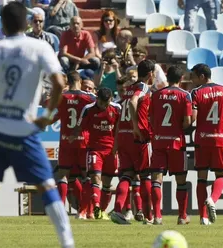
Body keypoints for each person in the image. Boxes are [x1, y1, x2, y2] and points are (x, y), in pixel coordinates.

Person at [0, 2, 89, 248]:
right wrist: (47, 116)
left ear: (2, 25)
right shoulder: (39, 47)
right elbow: (59, 82)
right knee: (47, 186)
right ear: (26, 24)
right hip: (23, 130)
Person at [190, 64, 223, 225]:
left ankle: (203, 218)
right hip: (220, 139)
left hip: (202, 140)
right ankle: (212, 199)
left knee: (201, 178)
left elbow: (193, 118)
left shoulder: (196, 92)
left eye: (194, 76)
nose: (191, 80)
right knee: (222, 175)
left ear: (202, 76)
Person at [111, 60, 155, 225]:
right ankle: (149, 217)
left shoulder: (128, 89)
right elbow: (132, 102)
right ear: (150, 74)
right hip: (137, 137)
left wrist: (116, 143)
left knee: (126, 175)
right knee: (145, 177)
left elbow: (125, 108)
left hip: (123, 136)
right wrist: (136, 127)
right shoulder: (142, 87)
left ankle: (117, 211)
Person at [149, 66, 192, 225]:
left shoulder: (157, 95)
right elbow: (187, 122)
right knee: (181, 181)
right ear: (181, 79)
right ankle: (182, 216)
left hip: (159, 141)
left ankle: (157, 216)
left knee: (156, 180)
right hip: (176, 143)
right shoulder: (185, 95)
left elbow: (151, 119)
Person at [70, 87, 120, 220]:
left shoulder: (117, 109)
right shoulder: (88, 109)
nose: (104, 106)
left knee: (107, 183)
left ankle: (101, 211)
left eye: (106, 103)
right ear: (97, 99)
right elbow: (79, 126)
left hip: (111, 151)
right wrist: (74, 137)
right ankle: (95, 207)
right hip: (95, 150)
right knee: (95, 179)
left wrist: (116, 148)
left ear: (111, 99)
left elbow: (119, 130)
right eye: (101, 103)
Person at [51, 71, 95, 219]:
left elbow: (52, 111)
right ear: (80, 81)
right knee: (86, 177)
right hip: (83, 141)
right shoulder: (89, 98)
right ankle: (84, 211)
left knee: (63, 176)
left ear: (67, 82)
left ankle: (59, 211)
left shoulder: (61, 97)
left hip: (65, 141)